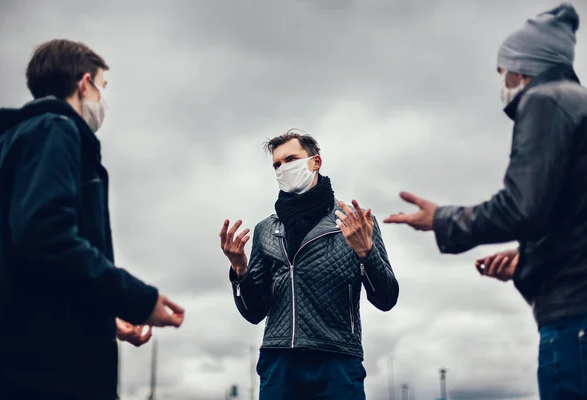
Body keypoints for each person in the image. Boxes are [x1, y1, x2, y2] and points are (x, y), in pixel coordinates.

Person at [384, 3, 586, 399]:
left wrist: (441, 219)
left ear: (525, 67)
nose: (502, 81)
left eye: (503, 71)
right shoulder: (577, 104)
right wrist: (528, 257)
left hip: (572, 315)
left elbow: (520, 207)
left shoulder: (545, 101)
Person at [0, 39, 185, 400]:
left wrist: (103, 317)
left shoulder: (3, 146)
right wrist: (138, 299)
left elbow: (20, 268)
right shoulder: (56, 130)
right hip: (54, 371)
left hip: (14, 358)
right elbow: (46, 237)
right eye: (102, 87)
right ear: (84, 83)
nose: (102, 101)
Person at [220, 130, 399, 400]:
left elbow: (386, 298)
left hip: (337, 360)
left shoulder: (355, 223)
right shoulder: (266, 230)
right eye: (277, 165)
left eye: (291, 159)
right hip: (279, 362)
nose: (283, 168)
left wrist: (366, 252)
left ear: (316, 162)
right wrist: (239, 271)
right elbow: (254, 312)